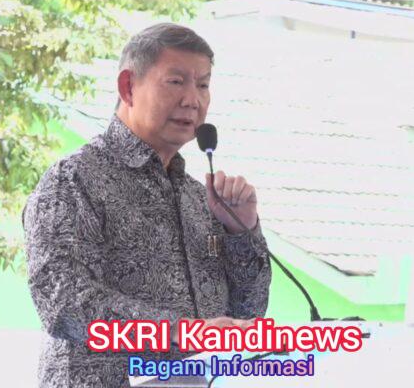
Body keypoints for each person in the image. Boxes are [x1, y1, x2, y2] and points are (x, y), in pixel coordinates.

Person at [22, 22, 272, 387]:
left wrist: (241, 233)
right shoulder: (75, 180)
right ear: (128, 87)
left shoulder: (200, 198)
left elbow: (248, 313)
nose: (193, 100)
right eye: (176, 81)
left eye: (203, 85)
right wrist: (179, 332)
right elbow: (62, 300)